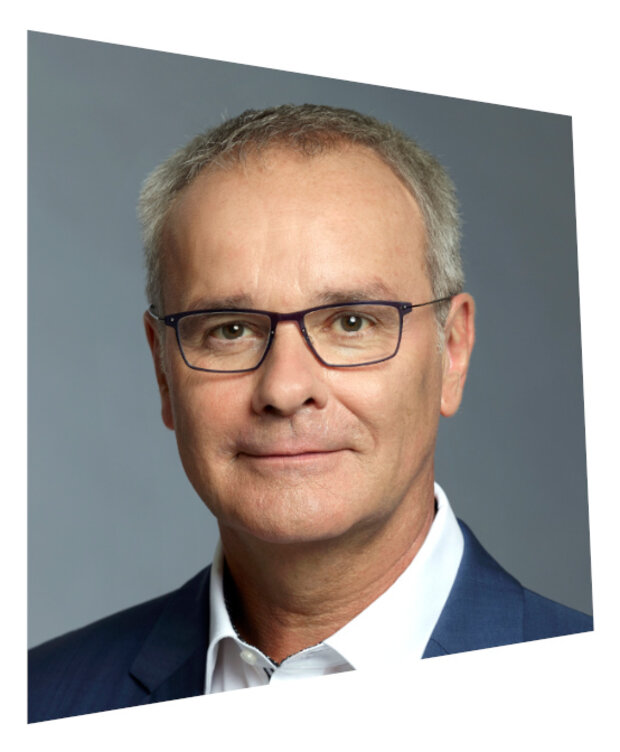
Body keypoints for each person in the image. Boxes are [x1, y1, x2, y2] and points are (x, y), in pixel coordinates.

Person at [28, 104, 592, 723]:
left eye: (351, 322)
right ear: (163, 369)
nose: (286, 388)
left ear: (451, 352)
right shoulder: (40, 702)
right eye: (230, 329)